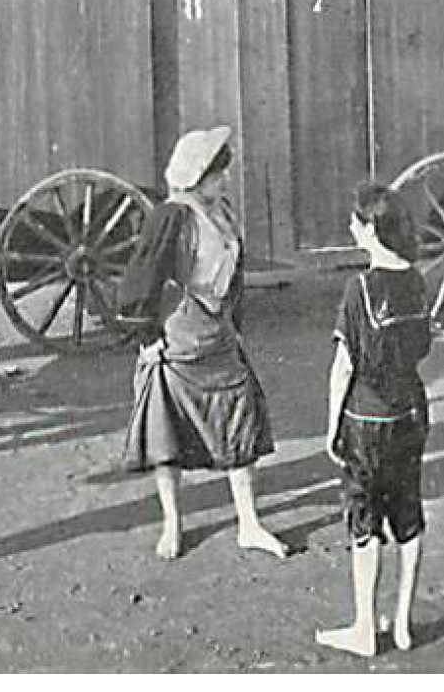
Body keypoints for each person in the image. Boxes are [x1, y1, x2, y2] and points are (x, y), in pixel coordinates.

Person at [117, 125, 287, 561]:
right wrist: (147, 337)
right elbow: (141, 279)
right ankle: (173, 523)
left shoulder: (222, 213)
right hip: (177, 341)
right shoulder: (172, 216)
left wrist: (238, 321)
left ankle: (249, 522)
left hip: (218, 335)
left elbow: (235, 274)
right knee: (166, 433)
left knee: (238, 423)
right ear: (197, 176)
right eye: (218, 174)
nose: (225, 180)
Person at [317, 184, 433, 657]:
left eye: (354, 221)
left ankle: (365, 628)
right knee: (408, 512)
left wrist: (331, 427)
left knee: (364, 517)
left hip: (366, 417)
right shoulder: (417, 280)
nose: (350, 227)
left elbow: (344, 365)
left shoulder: (359, 288)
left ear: (368, 229)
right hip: (411, 409)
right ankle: (403, 623)